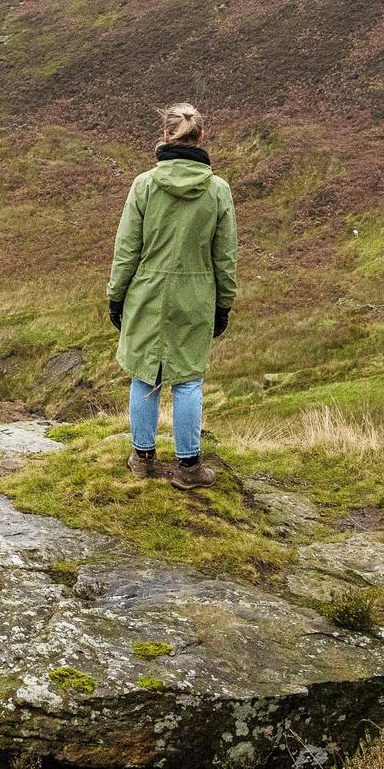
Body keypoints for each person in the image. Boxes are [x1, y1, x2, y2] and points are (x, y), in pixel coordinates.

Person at [107, 102, 237, 490]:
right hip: (196, 296)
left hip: (146, 292)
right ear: (203, 137)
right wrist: (224, 303)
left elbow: (126, 248)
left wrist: (117, 295)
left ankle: (143, 459)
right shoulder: (217, 191)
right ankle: (189, 467)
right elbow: (225, 257)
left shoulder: (144, 185)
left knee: (145, 374)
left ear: (165, 136)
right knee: (188, 380)